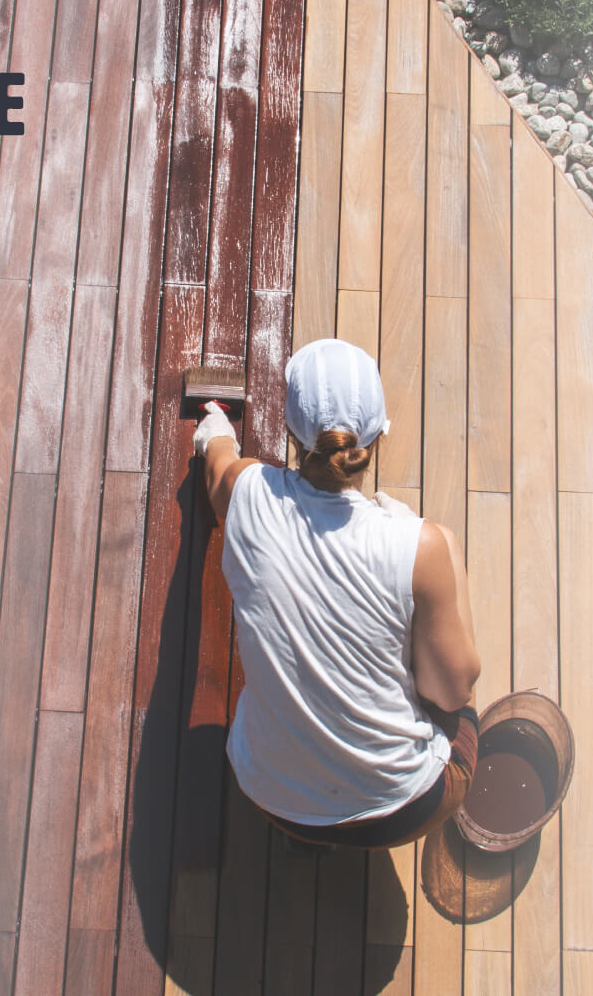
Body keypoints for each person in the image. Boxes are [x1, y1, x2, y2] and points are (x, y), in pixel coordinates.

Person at [191, 339, 482, 849]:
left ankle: (310, 831)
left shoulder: (247, 493)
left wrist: (215, 426)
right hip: (404, 809)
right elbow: (452, 692)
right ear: (377, 437)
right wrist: (438, 547)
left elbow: (218, 468)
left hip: (272, 798)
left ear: (292, 434)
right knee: (458, 684)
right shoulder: (419, 545)